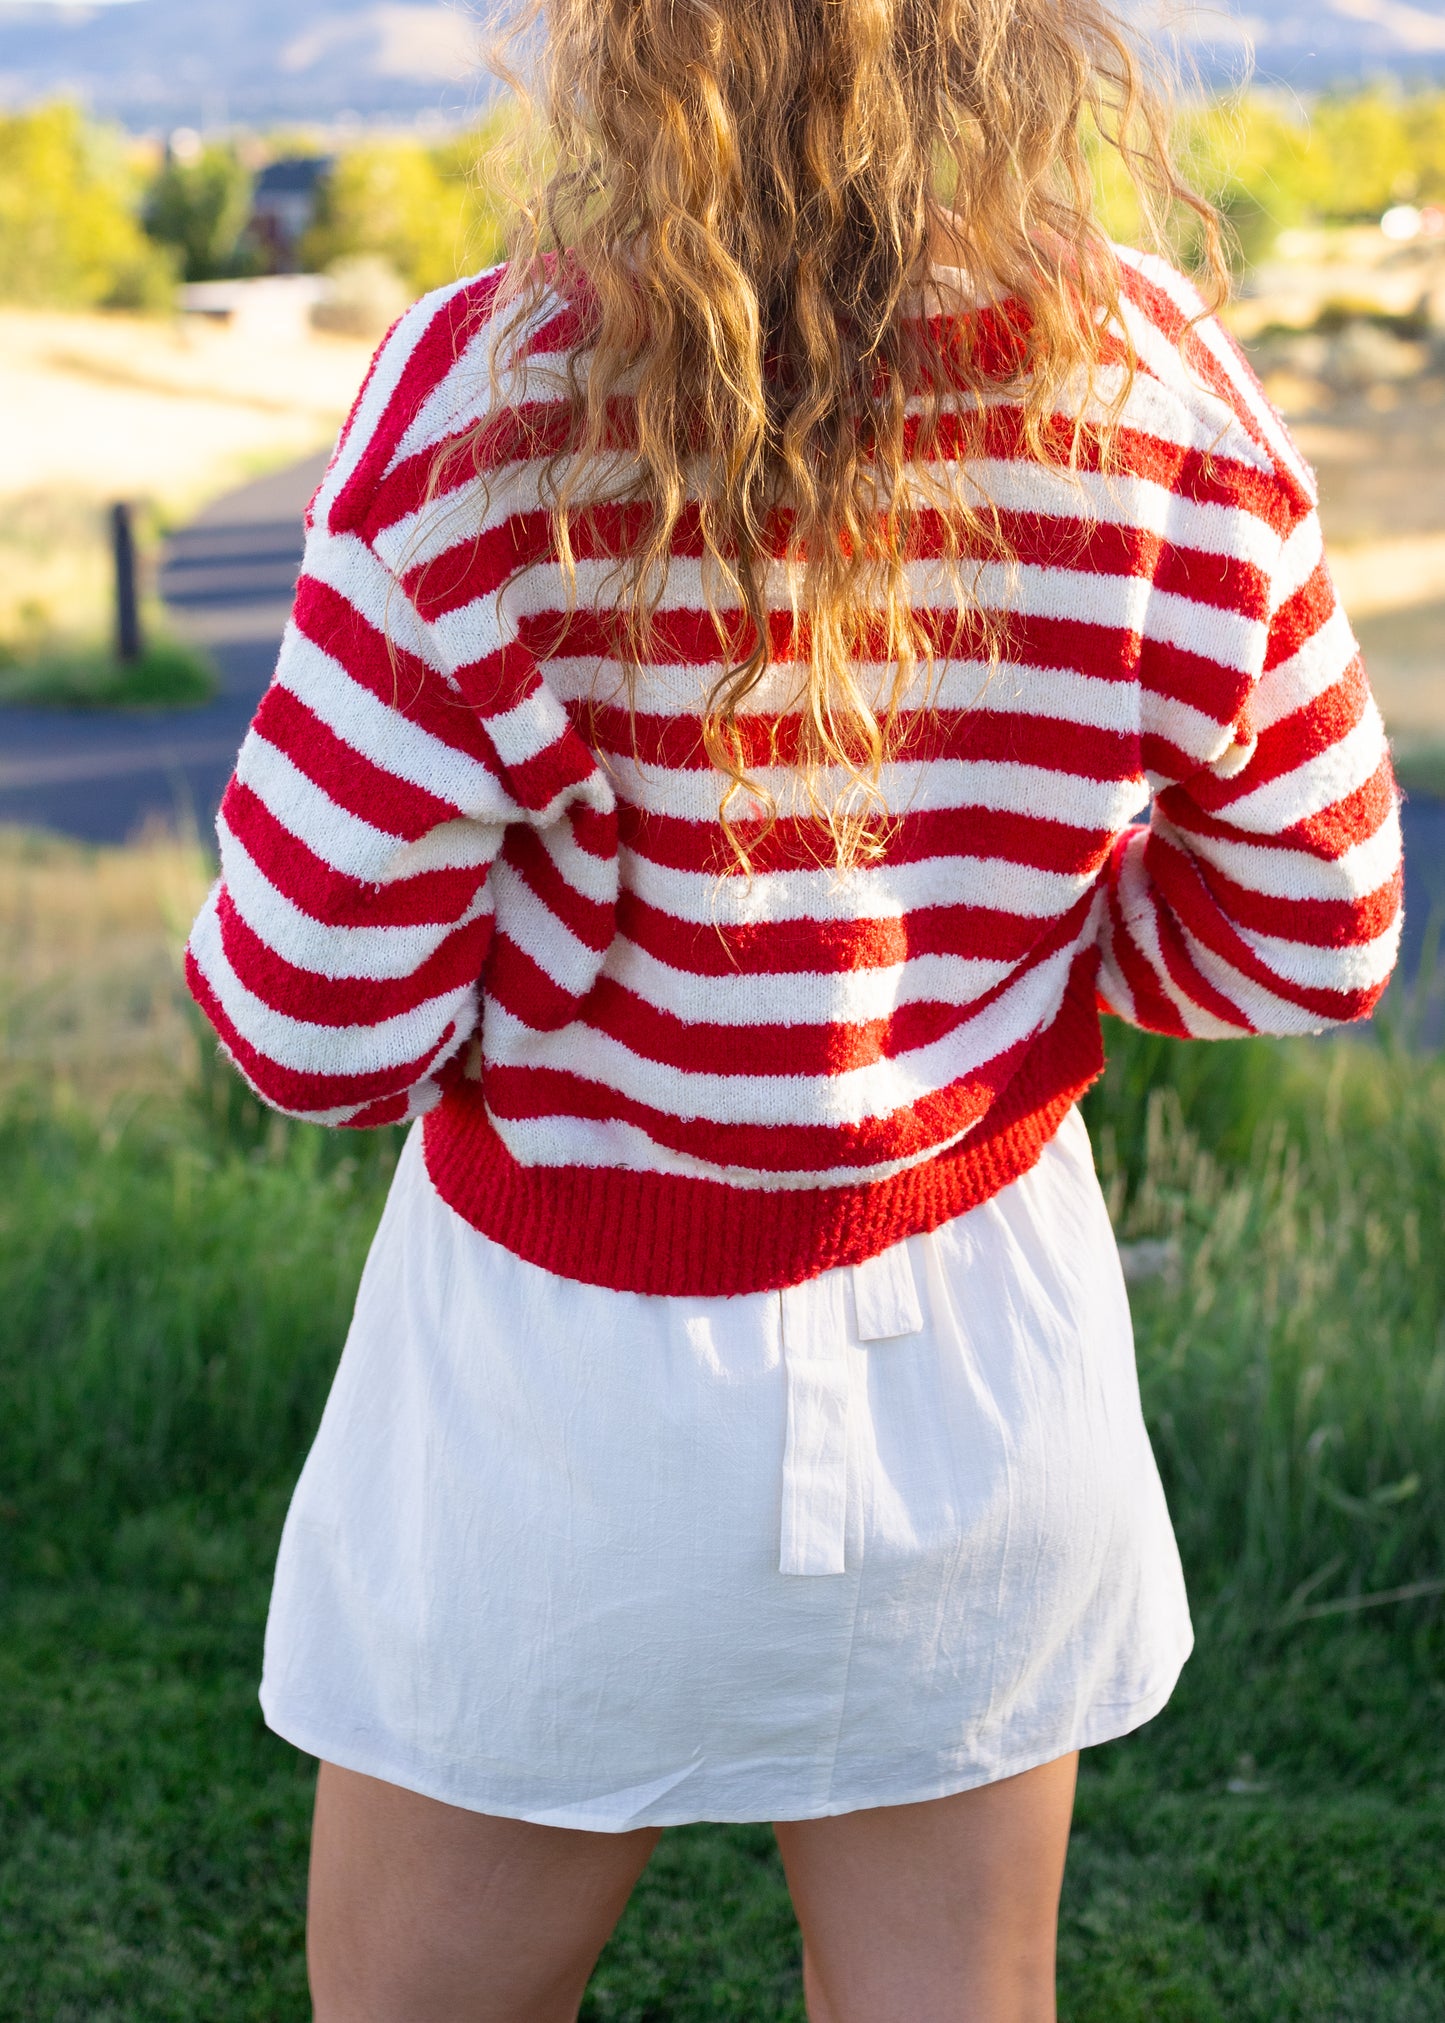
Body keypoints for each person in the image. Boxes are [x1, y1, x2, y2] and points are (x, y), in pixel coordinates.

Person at [183, 0, 1403, 2010]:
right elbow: (1319, 925)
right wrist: (1000, 972)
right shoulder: (1159, 392)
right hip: (981, 1367)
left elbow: (310, 1024)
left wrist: (551, 974)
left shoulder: (481, 404)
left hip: (552, 1391)